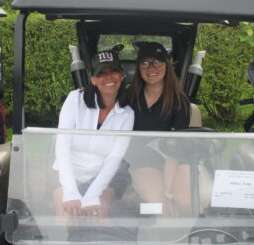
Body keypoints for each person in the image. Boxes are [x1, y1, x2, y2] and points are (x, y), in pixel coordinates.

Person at [53, 49, 134, 218]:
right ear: (93, 80)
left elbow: (114, 158)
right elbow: (62, 145)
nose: (109, 77)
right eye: (101, 73)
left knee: (99, 214)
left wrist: (93, 194)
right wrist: (70, 191)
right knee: (67, 217)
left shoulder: (127, 114)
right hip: (69, 174)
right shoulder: (75, 99)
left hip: (103, 176)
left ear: (122, 76)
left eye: (114, 71)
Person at [127, 41, 191, 216]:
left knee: (185, 202)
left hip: (172, 158)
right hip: (141, 159)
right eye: (145, 63)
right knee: (160, 204)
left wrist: (169, 192)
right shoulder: (129, 97)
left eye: (157, 62)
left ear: (166, 65)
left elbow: (174, 149)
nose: (151, 68)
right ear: (139, 67)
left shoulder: (179, 101)